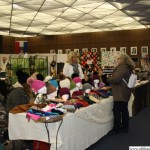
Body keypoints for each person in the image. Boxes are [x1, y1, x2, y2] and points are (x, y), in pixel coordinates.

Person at [107, 53, 135, 133]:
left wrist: (108, 78)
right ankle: (125, 127)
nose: (117, 60)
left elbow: (116, 79)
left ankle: (117, 128)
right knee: (124, 110)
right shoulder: (128, 67)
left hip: (120, 93)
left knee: (117, 111)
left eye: (118, 58)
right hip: (125, 92)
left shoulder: (122, 68)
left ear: (122, 59)